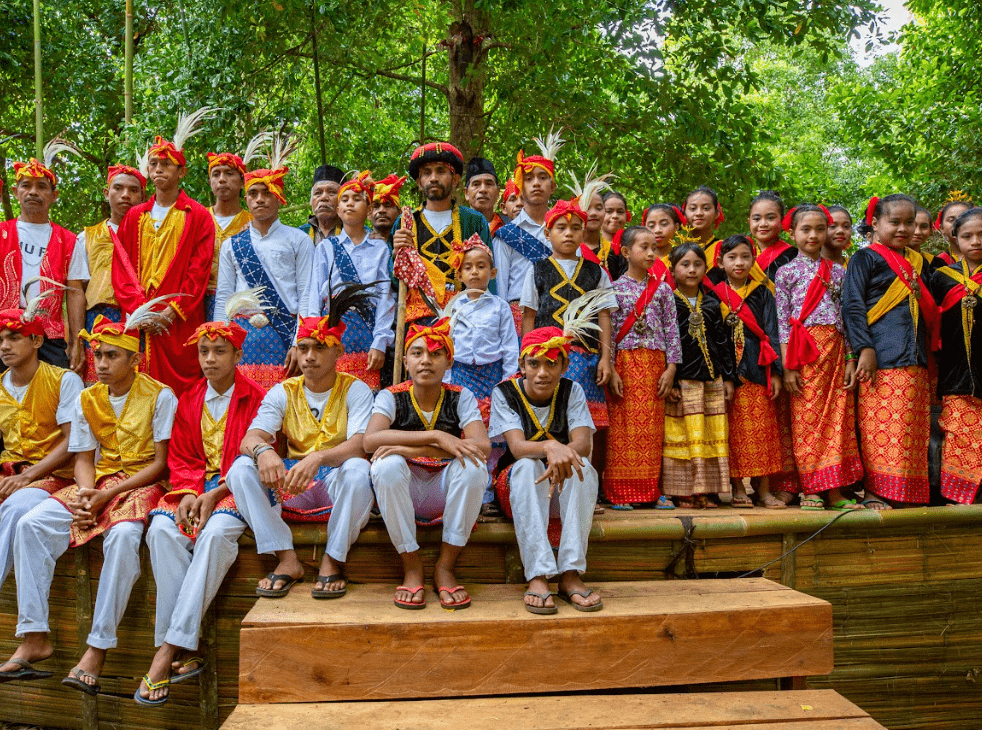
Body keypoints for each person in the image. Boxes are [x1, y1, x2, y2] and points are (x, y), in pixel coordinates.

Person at [0, 315, 175, 695]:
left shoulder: (161, 395)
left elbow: (161, 464)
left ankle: (96, 649)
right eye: (97, 356)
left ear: (134, 360)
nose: (101, 365)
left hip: (141, 483)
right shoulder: (87, 396)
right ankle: (34, 635)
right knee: (31, 524)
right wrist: (84, 495)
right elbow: (83, 456)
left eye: (112, 356)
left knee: (124, 537)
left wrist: (105, 496)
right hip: (95, 482)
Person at [136, 314, 266, 706]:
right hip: (195, 486)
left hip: (238, 488)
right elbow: (181, 455)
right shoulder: (189, 398)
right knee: (160, 531)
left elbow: (257, 458)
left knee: (214, 536)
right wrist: (190, 491)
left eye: (219, 351)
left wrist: (214, 492)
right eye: (204, 351)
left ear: (238, 354)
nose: (210, 359)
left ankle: (165, 652)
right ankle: (185, 649)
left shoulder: (257, 397)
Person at [226, 293, 377, 600]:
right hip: (292, 483)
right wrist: (264, 451)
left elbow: (361, 444)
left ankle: (332, 559)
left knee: (360, 470)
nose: (309, 356)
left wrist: (319, 457)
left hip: (336, 481)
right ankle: (286, 557)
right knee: (241, 468)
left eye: (319, 348)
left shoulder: (356, 389)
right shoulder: (283, 390)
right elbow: (250, 438)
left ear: (339, 352)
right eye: (303, 348)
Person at [363, 319, 489, 610]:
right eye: (417, 353)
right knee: (386, 465)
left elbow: (481, 447)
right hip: (404, 493)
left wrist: (412, 447)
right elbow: (370, 441)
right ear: (405, 361)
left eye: (435, 354)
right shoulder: (391, 396)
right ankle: (412, 566)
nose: (426, 361)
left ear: (449, 362)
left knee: (473, 468)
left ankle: (445, 566)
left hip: (445, 495)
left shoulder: (461, 396)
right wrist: (437, 437)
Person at [489, 326, 602, 614]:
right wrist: (551, 447)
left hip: (560, 491)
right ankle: (538, 575)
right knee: (527, 465)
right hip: (518, 490)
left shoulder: (572, 390)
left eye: (552, 363)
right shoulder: (505, 392)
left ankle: (570, 574)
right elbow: (517, 447)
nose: (542, 372)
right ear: (521, 365)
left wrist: (559, 453)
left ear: (564, 365)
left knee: (584, 468)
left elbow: (583, 444)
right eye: (534, 363)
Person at [842, 194, 937, 509]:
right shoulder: (864, 258)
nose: (903, 228)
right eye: (894, 222)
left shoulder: (919, 262)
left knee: (911, 429)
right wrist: (864, 348)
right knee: (878, 428)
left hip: (917, 358)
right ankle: (874, 491)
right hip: (881, 356)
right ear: (875, 224)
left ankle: (909, 494)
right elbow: (853, 306)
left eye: (909, 222)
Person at [113, 109, 218, 391]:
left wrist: (170, 312)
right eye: (153, 164)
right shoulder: (134, 216)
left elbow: (198, 272)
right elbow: (121, 269)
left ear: (181, 171)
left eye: (166, 164)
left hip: (177, 321)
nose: (158, 169)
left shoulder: (197, 216)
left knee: (179, 390)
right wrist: (141, 312)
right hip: (138, 320)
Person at [775, 206, 864, 510]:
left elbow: (848, 317)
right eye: (806, 229)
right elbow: (782, 322)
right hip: (803, 352)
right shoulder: (785, 272)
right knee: (806, 421)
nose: (813, 235)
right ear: (792, 234)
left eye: (819, 229)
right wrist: (788, 367)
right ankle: (811, 488)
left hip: (837, 350)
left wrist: (852, 358)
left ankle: (836, 490)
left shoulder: (839, 271)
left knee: (839, 420)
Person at [214, 138, 312, 389]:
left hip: (285, 334)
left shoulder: (298, 240)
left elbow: (307, 294)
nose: (259, 199)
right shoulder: (232, 245)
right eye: (253, 194)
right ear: (246, 199)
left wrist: (299, 342)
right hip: (243, 337)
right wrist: (220, 341)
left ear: (279, 197)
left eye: (266, 193)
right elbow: (224, 298)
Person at [0, 308, 82, 591]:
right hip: (11, 474)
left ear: (36, 341)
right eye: (0, 340)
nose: (4, 346)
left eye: (14, 337)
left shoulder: (64, 380)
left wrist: (27, 476)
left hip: (54, 476)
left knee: (14, 510)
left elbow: (72, 442)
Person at [520, 198, 616, 429]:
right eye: (561, 228)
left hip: (586, 358)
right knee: (549, 417)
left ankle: (583, 463)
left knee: (583, 420)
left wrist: (605, 358)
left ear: (583, 235)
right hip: (546, 358)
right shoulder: (537, 270)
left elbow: (604, 316)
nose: (568, 234)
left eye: (575, 229)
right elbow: (529, 316)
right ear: (547, 233)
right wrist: (526, 356)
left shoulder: (597, 272)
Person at [704, 235, 784, 509]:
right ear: (720, 262)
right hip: (730, 375)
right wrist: (725, 376)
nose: (739, 263)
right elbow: (713, 338)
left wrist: (775, 372)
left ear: (753, 260)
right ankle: (737, 487)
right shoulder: (713, 295)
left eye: (745, 257)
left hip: (759, 370)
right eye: (732, 257)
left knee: (764, 431)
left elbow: (773, 332)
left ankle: (763, 490)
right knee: (733, 433)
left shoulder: (763, 293)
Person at [604, 227, 681, 508]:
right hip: (624, 363)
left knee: (651, 429)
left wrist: (671, 368)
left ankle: (651, 490)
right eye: (644, 247)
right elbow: (609, 332)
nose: (651, 253)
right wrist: (610, 367)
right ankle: (619, 491)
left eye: (654, 248)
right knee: (622, 430)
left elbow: (672, 330)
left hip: (655, 365)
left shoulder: (662, 289)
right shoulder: (612, 289)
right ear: (625, 252)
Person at [445, 235, 519, 515]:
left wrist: (508, 382)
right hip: (461, 377)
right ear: (460, 273)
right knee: (465, 432)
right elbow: (446, 346)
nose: (475, 272)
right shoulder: (453, 307)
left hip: (492, 379)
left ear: (493, 272)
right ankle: (468, 491)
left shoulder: (500, 307)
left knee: (491, 436)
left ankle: (488, 494)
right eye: (468, 267)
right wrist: (448, 380)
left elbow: (510, 346)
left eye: (481, 266)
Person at [1, 140, 89, 372]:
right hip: (3, 332)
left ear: (54, 195)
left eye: (41, 186)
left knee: (53, 398)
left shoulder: (69, 240)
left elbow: (76, 292)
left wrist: (76, 341)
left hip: (50, 334)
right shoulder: (1, 233)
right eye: (26, 186)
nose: (33, 192)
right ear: (15, 192)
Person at [662, 243, 735, 508]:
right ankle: (683, 492)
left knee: (711, 435)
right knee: (682, 436)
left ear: (706, 268)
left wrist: (728, 378)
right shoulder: (668, 301)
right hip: (683, 380)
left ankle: (709, 491)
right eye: (685, 264)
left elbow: (723, 343)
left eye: (697, 264)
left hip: (711, 379)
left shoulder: (714, 304)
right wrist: (669, 378)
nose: (691, 269)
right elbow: (665, 342)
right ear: (673, 268)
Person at [306, 170, 394, 390]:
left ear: (370, 209)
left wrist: (380, 341)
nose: (350, 204)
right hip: (333, 331)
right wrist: (313, 334)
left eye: (357, 199)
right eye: (344, 199)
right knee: (331, 393)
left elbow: (385, 297)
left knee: (364, 394)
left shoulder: (380, 248)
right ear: (338, 209)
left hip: (367, 330)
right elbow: (315, 292)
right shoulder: (326, 247)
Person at [391, 142, 492, 323]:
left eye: (441, 171)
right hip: (417, 320)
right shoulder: (404, 222)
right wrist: (395, 255)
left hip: (465, 316)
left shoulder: (474, 221)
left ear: (455, 180)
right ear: (419, 183)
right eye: (427, 173)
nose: (433, 178)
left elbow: (488, 275)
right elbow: (391, 283)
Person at [931, 207, 982, 504]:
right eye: (967, 236)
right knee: (961, 434)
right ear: (955, 238)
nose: (975, 241)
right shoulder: (941, 278)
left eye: (980, 235)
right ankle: (960, 495)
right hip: (955, 372)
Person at [80, 163, 146, 383]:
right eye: (118, 188)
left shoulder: (152, 236)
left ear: (143, 197)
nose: (125, 195)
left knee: (139, 383)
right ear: (107, 193)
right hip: (99, 318)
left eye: (133, 190)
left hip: (138, 321)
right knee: (98, 383)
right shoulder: (86, 237)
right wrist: (75, 338)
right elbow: (77, 291)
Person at [492, 133, 563, 319]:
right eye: (529, 179)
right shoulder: (506, 235)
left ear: (553, 186)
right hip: (517, 318)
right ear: (521, 188)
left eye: (542, 177)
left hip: (560, 315)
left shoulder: (566, 230)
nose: (536, 184)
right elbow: (500, 289)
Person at [205, 141, 260, 318]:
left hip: (242, 301)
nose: (221, 179)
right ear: (210, 181)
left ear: (243, 181)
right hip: (201, 299)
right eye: (216, 174)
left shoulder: (254, 221)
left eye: (229, 173)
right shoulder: (199, 218)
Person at [570, 168, 626, 281]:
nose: (593, 213)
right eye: (587, 207)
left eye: (599, 208)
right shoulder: (568, 248)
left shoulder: (616, 252)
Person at [642, 203, 688, 287]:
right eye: (651, 226)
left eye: (664, 224)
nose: (657, 230)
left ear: (676, 227)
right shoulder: (638, 259)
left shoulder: (684, 257)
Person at [301, 164, 345, 244]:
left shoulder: (356, 233)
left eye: (332, 192)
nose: (323, 198)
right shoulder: (299, 234)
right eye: (318, 193)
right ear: (311, 201)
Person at [464, 157, 508, 236]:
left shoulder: (510, 227)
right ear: (466, 193)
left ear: (498, 193)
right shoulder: (452, 228)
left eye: (489, 184)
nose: (483, 189)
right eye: (476, 184)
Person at [683, 185, 725, 259]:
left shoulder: (725, 250)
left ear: (716, 213)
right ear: (685, 214)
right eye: (693, 208)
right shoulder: (677, 252)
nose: (699, 213)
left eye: (706, 208)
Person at [934, 193, 975, 266]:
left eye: (963, 218)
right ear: (942, 228)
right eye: (951, 220)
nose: (957, 223)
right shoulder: (938, 263)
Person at [369, 173, 406, 242]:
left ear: (399, 212)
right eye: (376, 206)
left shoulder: (411, 239)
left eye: (387, 205)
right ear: (368, 214)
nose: (381, 210)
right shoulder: (358, 241)